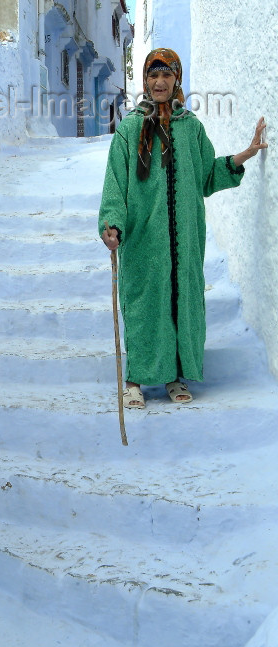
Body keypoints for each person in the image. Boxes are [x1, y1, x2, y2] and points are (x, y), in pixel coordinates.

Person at [98, 48, 267, 409]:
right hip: (144, 240)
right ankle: (134, 380)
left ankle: (175, 376)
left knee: (180, 301)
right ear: (145, 81)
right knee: (144, 305)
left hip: (185, 240)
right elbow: (115, 184)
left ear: (177, 79)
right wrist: (111, 224)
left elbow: (207, 175)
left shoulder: (191, 128)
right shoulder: (129, 129)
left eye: (167, 75)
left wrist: (247, 153)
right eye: (153, 75)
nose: (159, 82)